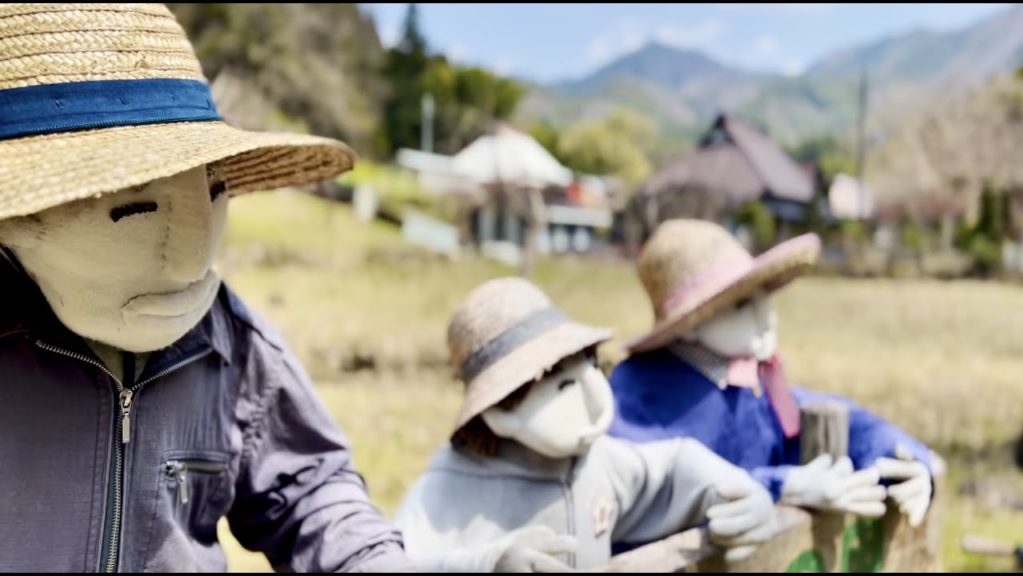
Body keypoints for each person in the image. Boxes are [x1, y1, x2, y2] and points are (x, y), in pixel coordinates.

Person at [0, 4, 408, 572]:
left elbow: (311, 489)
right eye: (134, 208)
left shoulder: (226, 340)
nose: (193, 258)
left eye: (215, 193)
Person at [394, 277, 778, 572]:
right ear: (499, 411)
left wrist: (737, 491)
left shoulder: (596, 461)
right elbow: (394, 565)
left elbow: (670, 469)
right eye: (558, 380)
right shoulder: (446, 491)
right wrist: (485, 564)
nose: (589, 392)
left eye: (589, 363)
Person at [609, 219, 941, 531]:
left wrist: (902, 458)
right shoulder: (636, 398)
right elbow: (654, 485)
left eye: (765, 297)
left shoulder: (747, 380)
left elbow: (825, 413)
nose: (767, 317)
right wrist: (782, 486)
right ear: (691, 326)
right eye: (740, 306)